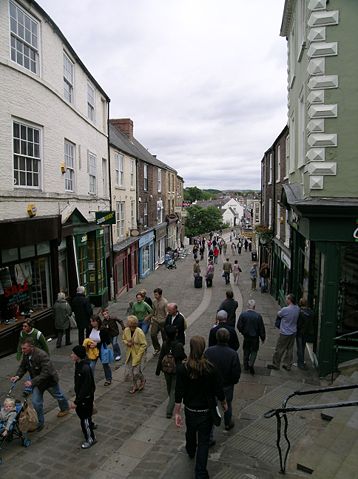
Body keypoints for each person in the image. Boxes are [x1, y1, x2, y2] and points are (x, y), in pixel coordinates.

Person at [174, 336, 227, 479]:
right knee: (203, 443)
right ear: (203, 348)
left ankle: (190, 449)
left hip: (191, 410)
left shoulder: (183, 368)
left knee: (190, 433)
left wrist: (177, 413)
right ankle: (200, 473)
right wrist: (224, 402)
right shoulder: (210, 368)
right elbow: (218, 389)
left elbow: (179, 392)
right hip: (206, 412)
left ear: (190, 348)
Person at [11, 339, 70, 431]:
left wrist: (32, 382)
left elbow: (46, 372)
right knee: (36, 403)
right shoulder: (26, 355)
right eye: (22, 349)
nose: (22, 351)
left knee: (59, 396)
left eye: (24, 348)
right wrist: (17, 376)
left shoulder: (42, 355)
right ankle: (40, 423)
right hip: (38, 383)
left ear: (31, 347)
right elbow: (23, 366)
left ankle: (65, 408)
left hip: (49, 382)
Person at [205, 329, 241, 432]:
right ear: (228, 338)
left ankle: (210, 430)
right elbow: (236, 371)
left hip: (212, 384)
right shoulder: (233, 354)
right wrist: (233, 381)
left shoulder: (209, 351)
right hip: (227, 384)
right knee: (227, 404)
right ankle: (227, 423)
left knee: (211, 406)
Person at [155, 325, 187, 418]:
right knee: (174, 390)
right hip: (176, 370)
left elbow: (161, 357)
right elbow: (182, 356)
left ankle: (171, 401)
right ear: (175, 334)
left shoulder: (165, 343)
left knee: (169, 387)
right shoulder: (179, 345)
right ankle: (169, 410)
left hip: (166, 370)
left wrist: (158, 370)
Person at [70, 345, 96, 449]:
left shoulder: (84, 368)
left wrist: (77, 401)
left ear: (78, 356)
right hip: (82, 396)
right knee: (84, 415)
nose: (71, 355)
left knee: (84, 418)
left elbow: (86, 387)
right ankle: (90, 424)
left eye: (73, 353)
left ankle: (90, 438)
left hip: (85, 398)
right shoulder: (78, 364)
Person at [268, 294, 300, 371]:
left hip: (285, 332)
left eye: (287, 299)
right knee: (290, 349)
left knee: (279, 349)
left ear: (290, 300)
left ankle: (276, 364)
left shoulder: (286, 309)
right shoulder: (297, 308)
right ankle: (288, 365)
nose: (286, 300)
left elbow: (279, 314)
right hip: (293, 332)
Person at [237, 300, 266, 375]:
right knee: (254, 351)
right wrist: (263, 337)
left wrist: (243, 332)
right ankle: (251, 363)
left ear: (247, 306)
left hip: (246, 337)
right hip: (255, 338)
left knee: (246, 350)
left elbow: (239, 326)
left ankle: (246, 365)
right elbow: (261, 328)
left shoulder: (243, 315)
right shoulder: (258, 316)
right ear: (254, 307)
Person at [122, 315, 147, 394]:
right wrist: (127, 343)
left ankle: (142, 379)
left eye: (128, 322)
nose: (127, 324)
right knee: (131, 371)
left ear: (133, 324)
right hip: (130, 354)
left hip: (139, 354)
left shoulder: (139, 332)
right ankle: (134, 385)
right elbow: (124, 339)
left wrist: (139, 355)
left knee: (136, 372)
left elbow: (144, 344)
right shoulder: (126, 330)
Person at [85, 316, 112, 386]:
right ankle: (90, 381)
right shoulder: (89, 329)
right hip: (92, 351)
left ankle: (108, 379)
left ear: (98, 321)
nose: (92, 323)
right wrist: (89, 344)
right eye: (91, 321)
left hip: (101, 349)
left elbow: (107, 340)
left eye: (93, 321)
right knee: (91, 366)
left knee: (105, 364)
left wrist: (97, 344)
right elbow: (87, 338)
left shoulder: (103, 329)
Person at [296, 298, 315, 370]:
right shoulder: (311, 312)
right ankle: (301, 361)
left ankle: (300, 363)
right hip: (307, 332)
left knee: (300, 348)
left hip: (300, 332)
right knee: (303, 347)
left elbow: (299, 323)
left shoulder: (300, 312)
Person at [150, 288, 168, 356]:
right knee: (153, 334)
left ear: (160, 294)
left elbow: (167, 314)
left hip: (163, 322)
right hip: (155, 321)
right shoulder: (154, 301)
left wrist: (167, 323)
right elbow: (153, 311)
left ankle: (165, 350)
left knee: (164, 337)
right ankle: (157, 348)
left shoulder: (165, 302)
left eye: (156, 294)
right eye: (154, 294)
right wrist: (151, 318)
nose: (155, 296)